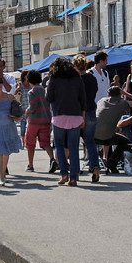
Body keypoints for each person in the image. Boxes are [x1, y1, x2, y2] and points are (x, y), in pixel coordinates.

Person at [46, 56, 86, 187]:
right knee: (74, 147)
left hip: (59, 116)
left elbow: (49, 98)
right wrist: (83, 117)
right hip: (75, 116)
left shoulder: (54, 79)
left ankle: (64, 174)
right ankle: (73, 177)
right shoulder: (77, 78)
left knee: (59, 147)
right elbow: (83, 99)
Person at [74, 55, 102, 183]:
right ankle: (95, 168)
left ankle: (75, 171)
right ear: (86, 66)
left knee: (73, 143)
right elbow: (93, 94)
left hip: (76, 113)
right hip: (90, 111)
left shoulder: (74, 80)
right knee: (90, 142)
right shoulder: (92, 78)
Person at [23, 69, 56, 173]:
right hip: (45, 120)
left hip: (33, 121)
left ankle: (30, 165)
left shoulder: (32, 92)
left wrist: (27, 111)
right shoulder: (44, 90)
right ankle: (52, 159)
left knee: (30, 143)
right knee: (46, 142)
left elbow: (33, 106)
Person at [95, 86, 132, 174]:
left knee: (110, 135)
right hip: (107, 136)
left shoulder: (101, 101)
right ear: (120, 94)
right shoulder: (122, 103)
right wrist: (126, 93)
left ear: (108, 94)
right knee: (123, 141)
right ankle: (112, 163)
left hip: (93, 134)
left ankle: (105, 157)